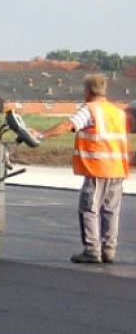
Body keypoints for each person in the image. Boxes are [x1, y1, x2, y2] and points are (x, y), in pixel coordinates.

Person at [30, 73, 131, 264]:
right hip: (117, 169)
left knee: (89, 209)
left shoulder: (90, 110)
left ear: (88, 91)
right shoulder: (117, 112)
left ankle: (92, 250)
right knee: (111, 211)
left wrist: (42, 134)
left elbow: (69, 125)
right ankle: (109, 250)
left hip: (97, 169)